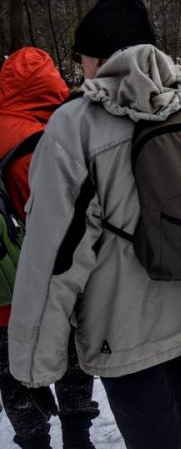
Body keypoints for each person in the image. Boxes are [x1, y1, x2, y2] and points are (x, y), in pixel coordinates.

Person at [8, 0, 181, 449]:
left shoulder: (74, 126)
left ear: (95, 57)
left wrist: (34, 365)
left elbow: (52, 256)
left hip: (127, 333)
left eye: (82, 58)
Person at [0, 48, 99, 449]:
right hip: (41, 280)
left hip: (0, 289)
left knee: (11, 370)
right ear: (51, 86)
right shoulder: (40, 140)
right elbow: (55, 220)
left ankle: (33, 439)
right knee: (71, 356)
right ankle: (77, 438)